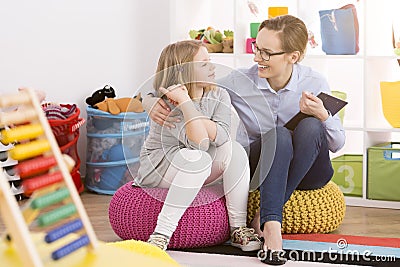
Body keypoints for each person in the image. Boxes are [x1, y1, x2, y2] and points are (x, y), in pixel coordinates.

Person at [143, 15, 346, 264]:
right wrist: (149, 100)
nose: (256, 58)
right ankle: (272, 227)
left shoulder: (314, 82)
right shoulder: (239, 81)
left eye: (266, 53)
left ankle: (268, 211)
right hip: (263, 167)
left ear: (293, 56)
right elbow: (187, 81)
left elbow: (336, 144)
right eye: (256, 48)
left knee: (312, 126)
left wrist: (323, 115)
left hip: (310, 170)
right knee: (279, 136)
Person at [135, 40, 261, 252]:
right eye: (204, 63)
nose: (212, 67)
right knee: (197, 158)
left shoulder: (219, 94)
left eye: (209, 61)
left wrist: (188, 105)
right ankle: (161, 234)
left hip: (194, 164)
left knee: (236, 150)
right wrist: (184, 103)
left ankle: (238, 229)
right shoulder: (166, 102)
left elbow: (222, 137)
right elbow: (200, 143)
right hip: (160, 168)